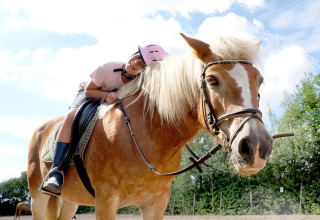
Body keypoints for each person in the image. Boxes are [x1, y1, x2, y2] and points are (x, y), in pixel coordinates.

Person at [40, 44, 168, 196]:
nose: (135, 62)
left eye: (142, 64)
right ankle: (56, 171)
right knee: (71, 116)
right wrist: (105, 96)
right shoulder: (107, 68)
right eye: (138, 56)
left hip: (110, 101)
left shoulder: (138, 83)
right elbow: (89, 90)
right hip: (90, 93)